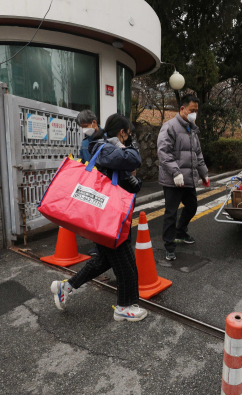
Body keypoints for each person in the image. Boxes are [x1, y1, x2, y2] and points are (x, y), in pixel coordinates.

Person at [50, 113, 147, 322]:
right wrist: (128, 147)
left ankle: (66, 286)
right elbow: (134, 158)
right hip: (106, 217)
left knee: (104, 261)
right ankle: (124, 307)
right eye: (128, 134)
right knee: (126, 263)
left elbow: (125, 178)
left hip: (110, 214)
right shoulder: (104, 148)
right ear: (122, 133)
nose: (129, 139)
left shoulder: (107, 147)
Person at [157, 94, 209, 262]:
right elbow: (163, 152)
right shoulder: (169, 127)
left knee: (192, 206)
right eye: (192, 110)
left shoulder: (192, 128)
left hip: (188, 179)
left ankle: (180, 232)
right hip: (173, 180)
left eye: (196, 111)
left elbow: (197, 154)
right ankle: (169, 246)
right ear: (182, 109)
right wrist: (175, 172)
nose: (194, 113)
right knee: (171, 214)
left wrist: (204, 173)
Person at [77, 110, 103, 257]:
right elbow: (81, 161)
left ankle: (106, 246)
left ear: (94, 122)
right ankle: (98, 246)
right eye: (81, 127)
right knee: (94, 216)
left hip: (104, 182)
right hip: (91, 183)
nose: (84, 129)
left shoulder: (107, 137)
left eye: (85, 125)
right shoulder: (85, 142)